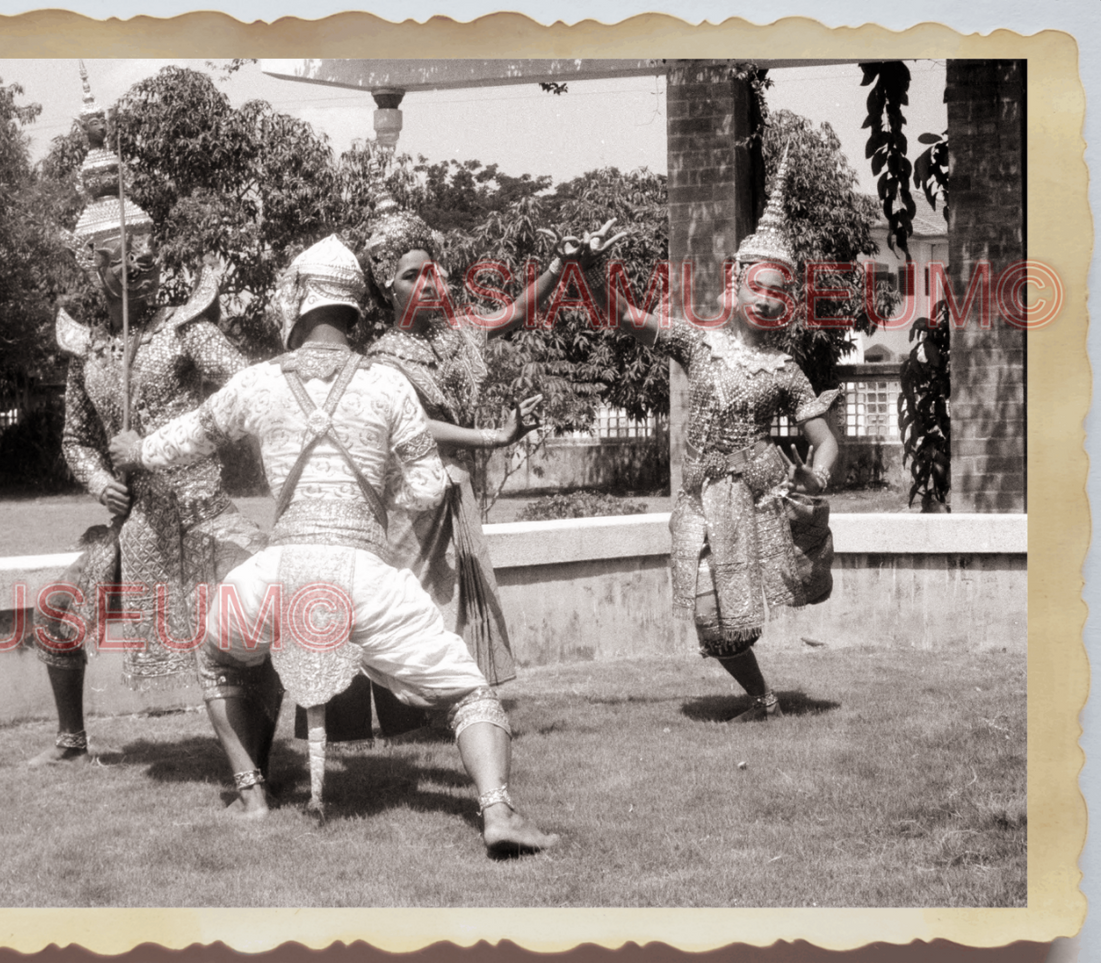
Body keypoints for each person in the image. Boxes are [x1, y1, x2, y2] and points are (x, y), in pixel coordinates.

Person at [109, 235, 559, 855]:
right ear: (353, 309)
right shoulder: (388, 385)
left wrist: (136, 449)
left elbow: (184, 440)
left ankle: (252, 796)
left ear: (296, 301)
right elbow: (429, 487)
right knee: (467, 688)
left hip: (277, 576)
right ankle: (498, 810)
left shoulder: (259, 382)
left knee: (216, 654)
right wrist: (378, 504)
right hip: (364, 576)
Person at [300, 197, 620, 741]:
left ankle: (431, 719)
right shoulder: (381, 359)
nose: (429, 282)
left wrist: (561, 265)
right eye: (410, 275)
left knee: (447, 606)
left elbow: (517, 311)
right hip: (407, 503)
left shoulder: (458, 335)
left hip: (452, 494)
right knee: (412, 607)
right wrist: (492, 437)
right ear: (388, 292)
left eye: (433, 271)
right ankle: (399, 720)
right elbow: (415, 427)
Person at [27, 67, 267, 767]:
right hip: (131, 513)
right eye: (110, 258)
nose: (129, 267)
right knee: (57, 611)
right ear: (90, 267)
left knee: (225, 633)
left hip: (195, 507)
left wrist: (169, 442)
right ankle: (71, 738)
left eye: (136, 253)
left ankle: (253, 758)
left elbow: (248, 389)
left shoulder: (186, 328)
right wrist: (97, 474)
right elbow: (75, 436)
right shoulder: (87, 346)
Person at [602, 153, 840, 721]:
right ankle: (762, 697)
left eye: (778, 294)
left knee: (726, 613)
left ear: (788, 302)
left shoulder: (784, 368)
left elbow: (824, 438)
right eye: (758, 287)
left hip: (755, 493)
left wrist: (817, 474)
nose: (765, 300)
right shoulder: (695, 343)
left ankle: (762, 701)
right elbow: (627, 319)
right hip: (700, 496)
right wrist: (592, 270)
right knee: (708, 614)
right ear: (735, 283)